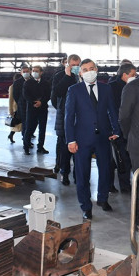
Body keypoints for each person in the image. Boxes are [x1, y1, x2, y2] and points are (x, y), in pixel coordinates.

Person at [65, 59, 121, 218]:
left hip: (103, 136)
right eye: (85, 69)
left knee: (105, 170)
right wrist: (70, 140)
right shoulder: (74, 90)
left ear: (96, 69)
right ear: (80, 73)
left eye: (91, 68)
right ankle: (85, 206)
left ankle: (103, 198)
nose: (89, 71)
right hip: (82, 139)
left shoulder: (106, 88)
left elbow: (112, 110)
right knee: (83, 174)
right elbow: (69, 117)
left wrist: (116, 130)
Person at [52, 54, 81, 185]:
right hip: (64, 117)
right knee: (65, 149)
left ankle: (77, 175)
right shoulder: (59, 76)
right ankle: (64, 173)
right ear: (68, 64)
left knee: (78, 149)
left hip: (79, 118)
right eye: (73, 65)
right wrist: (67, 76)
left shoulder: (81, 75)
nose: (76, 67)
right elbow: (57, 93)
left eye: (78, 65)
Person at [109, 62, 136, 193]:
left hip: (130, 128)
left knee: (125, 159)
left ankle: (125, 185)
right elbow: (111, 110)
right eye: (133, 75)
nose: (135, 77)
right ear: (124, 75)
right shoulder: (112, 87)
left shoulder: (134, 87)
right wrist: (116, 129)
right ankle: (111, 185)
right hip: (116, 129)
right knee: (117, 159)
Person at [23, 65, 51, 155]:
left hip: (43, 108)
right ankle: (26, 147)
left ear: (41, 72)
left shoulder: (46, 83)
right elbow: (26, 95)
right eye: (33, 71)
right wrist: (33, 102)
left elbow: (48, 95)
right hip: (31, 108)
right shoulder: (28, 82)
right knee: (29, 128)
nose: (34, 72)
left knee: (42, 129)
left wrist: (41, 102)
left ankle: (40, 147)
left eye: (37, 71)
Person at [12, 65, 31, 143]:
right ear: (21, 73)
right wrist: (20, 102)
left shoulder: (33, 81)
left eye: (27, 71)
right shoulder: (17, 83)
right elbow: (15, 95)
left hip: (32, 106)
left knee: (31, 124)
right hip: (22, 106)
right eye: (24, 72)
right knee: (25, 123)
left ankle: (28, 139)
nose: (26, 73)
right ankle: (26, 140)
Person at [7, 73, 22, 143]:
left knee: (20, 123)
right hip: (16, 107)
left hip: (21, 107)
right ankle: (11, 135)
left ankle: (26, 138)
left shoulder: (22, 85)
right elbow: (10, 99)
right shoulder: (12, 87)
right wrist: (11, 110)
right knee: (17, 123)